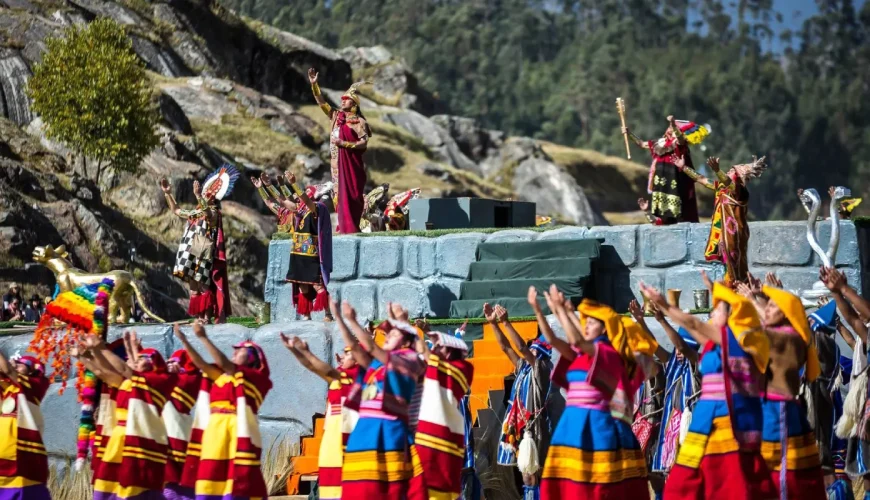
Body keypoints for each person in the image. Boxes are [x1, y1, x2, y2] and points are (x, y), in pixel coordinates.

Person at [641, 276, 774, 499]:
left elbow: (692, 327)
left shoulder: (737, 340)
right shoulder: (713, 345)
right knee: (684, 485)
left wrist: (665, 306)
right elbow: (690, 338)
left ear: (731, 315)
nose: (711, 315)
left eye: (716, 311)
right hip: (705, 419)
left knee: (730, 484)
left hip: (728, 420)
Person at [538, 288, 656, 499]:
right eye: (586, 322)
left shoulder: (610, 355)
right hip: (574, 427)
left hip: (601, 428)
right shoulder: (585, 354)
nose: (586, 325)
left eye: (591, 322)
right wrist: (545, 311)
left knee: (599, 489)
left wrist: (563, 311)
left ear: (604, 329)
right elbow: (564, 340)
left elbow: (578, 340)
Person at [336, 300, 426, 498]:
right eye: (386, 334)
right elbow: (356, 348)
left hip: (390, 431)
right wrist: (339, 318)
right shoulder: (377, 365)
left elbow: (369, 346)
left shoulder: (410, 360)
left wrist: (352, 320)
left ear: (405, 342)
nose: (386, 336)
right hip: (363, 432)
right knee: (358, 492)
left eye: (393, 334)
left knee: (389, 492)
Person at [172, 322, 272, 500]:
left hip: (237, 430)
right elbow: (202, 365)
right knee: (210, 476)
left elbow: (223, 363)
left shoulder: (255, 378)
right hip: (214, 431)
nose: (235, 352)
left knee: (237, 479)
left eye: (240, 350)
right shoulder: (222, 377)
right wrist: (184, 340)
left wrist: (203, 337)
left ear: (252, 357)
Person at [78, 334, 178, 500]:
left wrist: (100, 348)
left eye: (142, 358)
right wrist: (83, 356)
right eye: (134, 359)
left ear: (154, 363)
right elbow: (101, 371)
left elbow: (125, 369)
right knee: (109, 487)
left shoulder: (159, 381)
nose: (135, 361)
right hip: (120, 441)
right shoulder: (126, 383)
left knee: (136, 489)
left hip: (141, 442)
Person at [758, 285, 826, 498]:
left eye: (772, 306)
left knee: (784, 472)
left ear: (786, 313)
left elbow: (753, 331)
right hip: (767, 409)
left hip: (780, 410)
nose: (767, 310)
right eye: (767, 306)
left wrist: (747, 300)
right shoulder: (775, 335)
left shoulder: (791, 338)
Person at [629, 300, 700, 499]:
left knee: (684, 481)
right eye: (676, 349)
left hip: (687, 432)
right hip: (669, 432)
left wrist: (661, 320)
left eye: (681, 348)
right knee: (659, 477)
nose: (678, 352)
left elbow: (682, 346)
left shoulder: (697, 365)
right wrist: (641, 321)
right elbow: (653, 346)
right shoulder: (672, 364)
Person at [484, 302, 553, 500]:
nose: (531, 350)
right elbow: (506, 347)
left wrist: (506, 322)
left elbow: (521, 347)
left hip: (533, 428)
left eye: (534, 350)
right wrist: (493, 324)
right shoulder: (523, 368)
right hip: (518, 427)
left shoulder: (540, 369)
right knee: (524, 472)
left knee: (530, 473)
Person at [283, 326, 361, 500]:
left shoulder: (356, 377)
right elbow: (313, 367)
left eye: (348, 354)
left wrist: (304, 352)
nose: (342, 357)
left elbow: (317, 367)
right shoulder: (340, 377)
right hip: (332, 440)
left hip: (349, 440)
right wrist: (296, 351)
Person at [161, 165, 237, 323]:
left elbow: (208, 213)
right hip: (188, 250)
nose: (205, 194)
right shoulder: (195, 212)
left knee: (203, 285)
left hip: (202, 251)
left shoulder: (214, 212)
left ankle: (206, 317)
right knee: (193, 287)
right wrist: (168, 193)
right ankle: (198, 317)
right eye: (204, 192)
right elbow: (177, 211)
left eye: (207, 193)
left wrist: (197, 196)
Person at [254, 171, 333, 320]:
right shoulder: (299, 209)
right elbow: (282, 201)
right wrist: (267, 186)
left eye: (306, 193)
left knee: (318, 285)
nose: (299, 196)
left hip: (311, 253)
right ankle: (306, 315)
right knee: (302, 285)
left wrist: (293, 183)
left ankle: (328, 313)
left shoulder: (316, 208)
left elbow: (305, 199)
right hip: (297, 253)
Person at [679, 156, 767, 285]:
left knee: (735, 264)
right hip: (723, 234)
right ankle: (731, 287)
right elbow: (701, 179)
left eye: (732, 171)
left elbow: (729, 183)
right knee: (727, 263)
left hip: (734, 235)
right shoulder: (721, 187)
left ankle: (738, 288)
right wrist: (684, 168)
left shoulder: (740, 191)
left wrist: (717, 170)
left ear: (738, 176)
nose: (729, 171)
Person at [408, 329, 474, 500]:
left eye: (439, 346)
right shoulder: (433, 369)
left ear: (450, 351)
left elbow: (428, 355)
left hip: (443, 440)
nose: (434, 349)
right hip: (422, 438)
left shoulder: (462, 369)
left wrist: (409, 329)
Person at [308, 67, 371, 234]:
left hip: (353, 166)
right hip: (336, 165)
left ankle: (352, 227)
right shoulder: (336, 117)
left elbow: (363, 144)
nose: (342, 101)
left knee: (353, 196)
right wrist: (314, 85)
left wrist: (343, 143)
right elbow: (321, 103)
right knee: (339, 197)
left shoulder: (359, 122)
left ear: (354, 104)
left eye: (347, 99)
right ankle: (343, 227)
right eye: (342, 99)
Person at [622, 116, 708, 224]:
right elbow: (642, 144)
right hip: (660, 185)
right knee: (661, 217)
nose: (669, 129)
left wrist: (673, 125)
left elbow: (680, 139)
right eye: (669, 127)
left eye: (673, 128)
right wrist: (629, 134)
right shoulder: (659, 143)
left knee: (677, 214)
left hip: (674, 183)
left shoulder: (679, 145)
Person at [0, 352, 51, 500]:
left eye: (22, 364)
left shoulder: (36, 385)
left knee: (24, 490)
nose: (16, 364)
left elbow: (8, 370)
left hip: (22, 450)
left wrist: (9, 367)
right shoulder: (8, 388)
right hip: (4, 449)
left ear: (32, 371)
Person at [163, 340, 204, 500]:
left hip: (178, 433)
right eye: (169, 362)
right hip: (165, 435)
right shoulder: (163, 380)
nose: (170, 365)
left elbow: (191, 374)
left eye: (175, 362)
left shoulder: (190, 380)